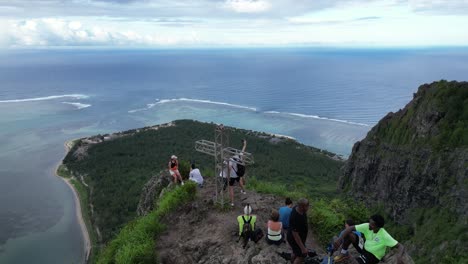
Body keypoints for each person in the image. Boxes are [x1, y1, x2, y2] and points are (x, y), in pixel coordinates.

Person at [333, 214, 405, 264]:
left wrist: (399, 257)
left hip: (372, 256)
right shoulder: (367, 226)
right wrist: (340, 239)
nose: (369, 225)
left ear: (378, 226)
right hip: (364, 247)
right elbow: (350, 228)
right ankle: (343, 253)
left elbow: (400, 246)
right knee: (349, 235)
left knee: (355, 262)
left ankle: (351, 258)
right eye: (370, 222)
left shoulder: (384, 235)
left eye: (372, 224)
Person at [287, 198, 310, 264]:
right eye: (307, 206)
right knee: (301, 256)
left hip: (296, 237)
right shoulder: (295, 217)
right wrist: (303, 248)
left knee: (295, 252)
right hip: (294, 239)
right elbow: (295, 234)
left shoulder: (298, 209)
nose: (308, 208)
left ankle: (291, 261)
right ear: (302, 207)